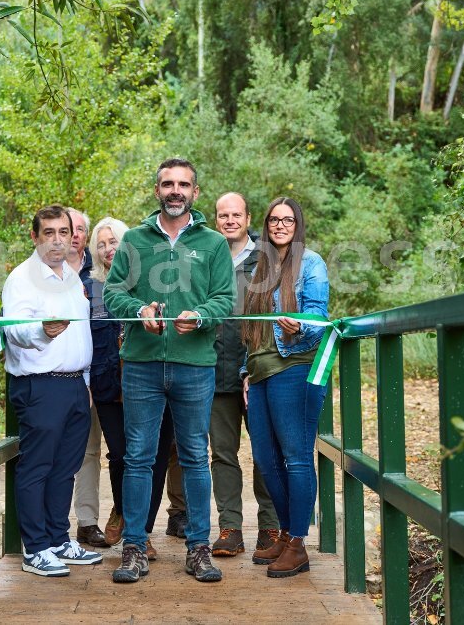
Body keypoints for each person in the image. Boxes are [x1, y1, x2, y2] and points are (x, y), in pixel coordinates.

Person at [104, 157, 235, 583]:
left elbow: (224, 299)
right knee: (138, 457)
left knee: (196, 456)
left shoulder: (213, 244)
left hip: (194, 365)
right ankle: (134, 548)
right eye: (167, 184)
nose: (175, 190)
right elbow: (112, 292)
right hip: (141, 366)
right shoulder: (135, 241)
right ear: (157, 189)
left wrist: (200, 316)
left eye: (183, 184)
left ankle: (198, 548)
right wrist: (137, 309)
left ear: (196, 192)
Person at [2, 204, 103, 577]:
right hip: (40, 385)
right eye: (49, 233)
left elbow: (81, 335)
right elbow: (14, 329)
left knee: (65, 469)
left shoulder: (71, 278)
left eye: (65, 232)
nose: (58, 240)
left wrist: (87, 383)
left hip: (76, 385)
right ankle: (36, 548)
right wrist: (42, 331)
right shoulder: (23, 278)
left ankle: (59, 539)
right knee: (38, 467)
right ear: (35, 237)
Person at [241, 197, 329, 578]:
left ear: (297, 224)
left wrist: (300, 327)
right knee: (264, 458)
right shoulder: (260, 267)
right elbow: (255, 330)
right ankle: (286, 533)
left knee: (295, 457)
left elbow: (319, 318)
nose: (280, 225)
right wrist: (247, 371)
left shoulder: (311, 262)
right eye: (274, 220)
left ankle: (297, 541)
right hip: (260, 371)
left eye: (287, 219)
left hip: (295, 366)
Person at [84, 217, 174, 561]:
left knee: (154, 455)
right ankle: (122, 509)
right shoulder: (88, 287)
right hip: (109, 381)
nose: (109, 249)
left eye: (115, 241)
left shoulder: (152, 278)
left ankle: (143, 532)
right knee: (122, 454)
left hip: (152, 377)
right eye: (102, 244)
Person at [209, 192, 280, 557]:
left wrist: (257, 364)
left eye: (237, 214)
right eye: (224, 215)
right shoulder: (206, 257)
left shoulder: (266, 261)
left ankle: (269, 526)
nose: (230, 220)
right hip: (215, 372)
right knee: (222, 453)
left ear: (248, 219)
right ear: (216, 219)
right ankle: (229, 528)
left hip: (258, 372)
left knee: (265, 451)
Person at [67, 208, 108, 548]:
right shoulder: (42, 270)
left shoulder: (98, 272)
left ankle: (87, 521)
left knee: (92, 452)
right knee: (63, 450)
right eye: (70, 228)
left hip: (100, 374)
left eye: (82, 229)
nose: (76, 234)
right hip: (57, 376)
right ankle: (46, 527)